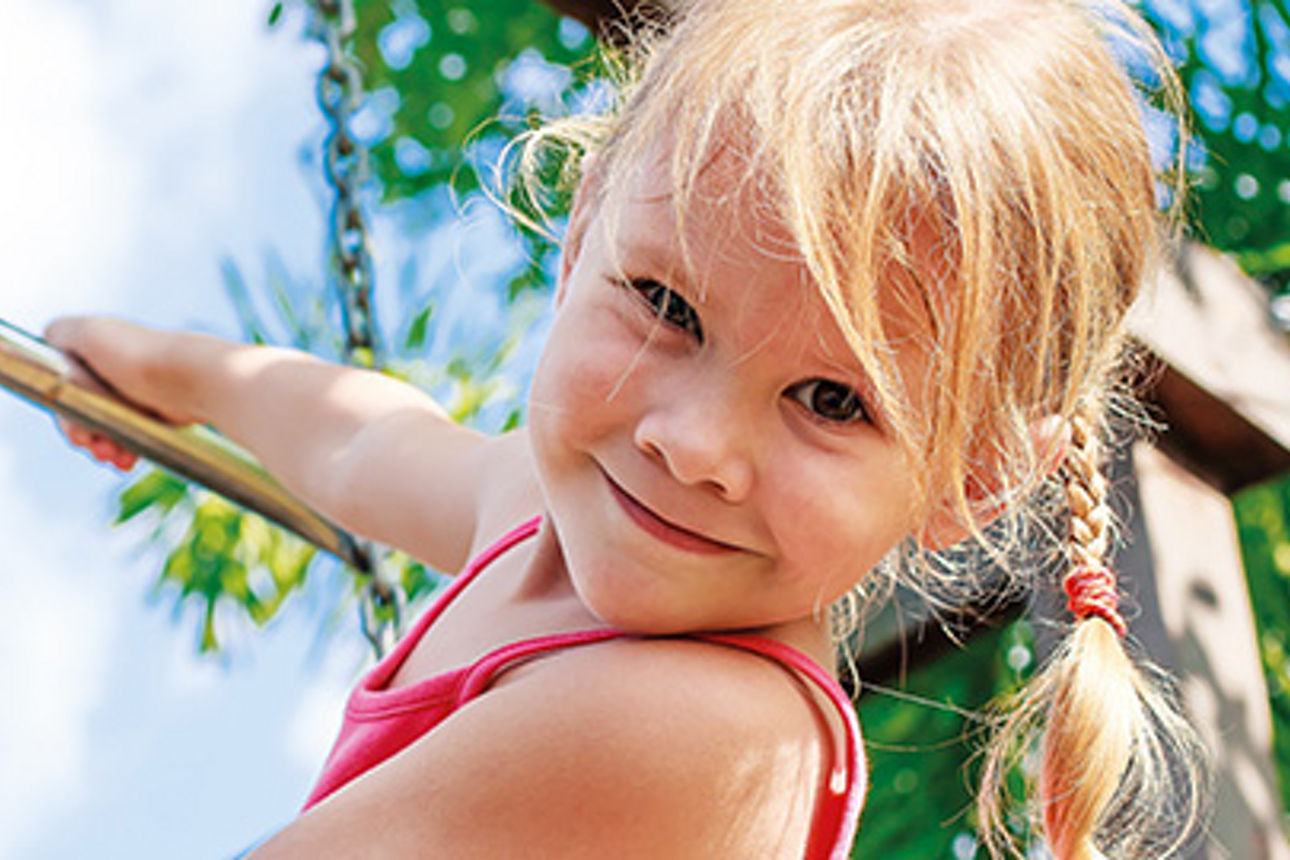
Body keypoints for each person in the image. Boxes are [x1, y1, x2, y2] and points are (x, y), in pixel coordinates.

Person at [46, 0, 1208, 856]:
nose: (694, 443)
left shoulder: (700, 729)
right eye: (666, 305)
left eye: (832, 400)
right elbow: (359, 439)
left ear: (978, 474)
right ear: (585, 221)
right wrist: (168, 369)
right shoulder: (533, 519)